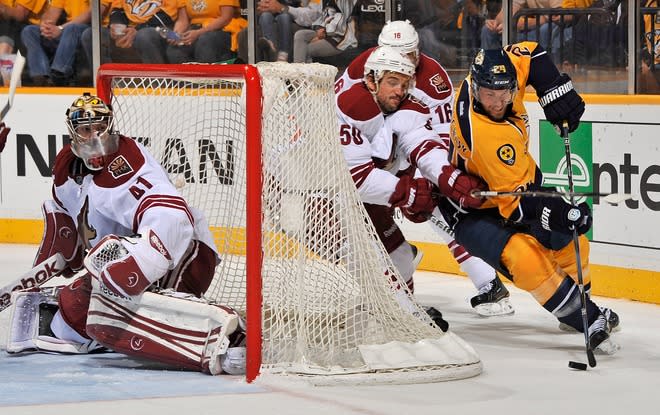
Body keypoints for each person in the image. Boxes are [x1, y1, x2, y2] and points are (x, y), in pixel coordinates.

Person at [4, 93, 246, 375]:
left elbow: (172, 215)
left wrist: (143, 262)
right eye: (85, 129)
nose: (94, 137)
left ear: (110, 127)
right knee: (71, 312)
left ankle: (223, 343)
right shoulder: (66, 166)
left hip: (182, 253)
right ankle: (118, 325)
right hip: (116, 263)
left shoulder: (127, 162)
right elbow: (63, 222)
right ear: (73, 133)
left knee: (102, 309)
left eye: (100, 128)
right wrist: (59, 256)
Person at [440, 43, 621, 353]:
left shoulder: (495, 73)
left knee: (572, 241)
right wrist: (558, 211)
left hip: (517, 183)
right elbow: (519, 207)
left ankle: (580, 304)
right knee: (527, 260)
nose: (498, 103)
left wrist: (553, 89)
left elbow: (532, 53)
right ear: (475, 90)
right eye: (489, 96)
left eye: (504, 94)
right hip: (474, 208)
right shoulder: (484, 134)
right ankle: (588, 318)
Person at [336, 20, 514, 317]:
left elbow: (439, 134)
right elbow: (345, 122)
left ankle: (486, 282)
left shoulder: (433, 79)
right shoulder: (361, 74)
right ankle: (392, 295)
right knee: (356, 234)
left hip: (405, 155)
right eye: (394, 57)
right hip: (353, 163)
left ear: (417, 52)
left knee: (437, 209)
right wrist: (405, 189)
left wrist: (441, 177)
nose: (403, 64)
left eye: (408, 55)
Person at [20, 0, 91, 86]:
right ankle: (41, 76)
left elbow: (91, 14)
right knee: (29, 31)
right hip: (67, 30)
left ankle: (59, 74)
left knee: (72, 28)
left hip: (90, 29)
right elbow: (53, 12)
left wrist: (60, 28)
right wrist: (46, 26)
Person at [166, 0, 246, 64]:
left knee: (205, 41)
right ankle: (189, 81)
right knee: (174, 50)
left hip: (221, 28)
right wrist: (176, 35)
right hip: (194, 29)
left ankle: (208, 81)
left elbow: (226, 17)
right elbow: (183, 21)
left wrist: (199, 32)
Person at [107, 0, 179, 63]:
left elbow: (165, 19)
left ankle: (157, 77)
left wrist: (136, 30)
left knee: (144, 35)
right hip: (132, 30)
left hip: (164, 31)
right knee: (101, 35)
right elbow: (118, 9)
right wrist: (118, 25)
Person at [292, 0, 357, 63]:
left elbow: (343, 22)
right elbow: (321, 18)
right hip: (327, 32)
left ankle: (302, 72)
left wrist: (324, 33)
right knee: (300, 34)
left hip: (342, 39)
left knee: (304, 50)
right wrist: (318, 29)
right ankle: (299, 70)